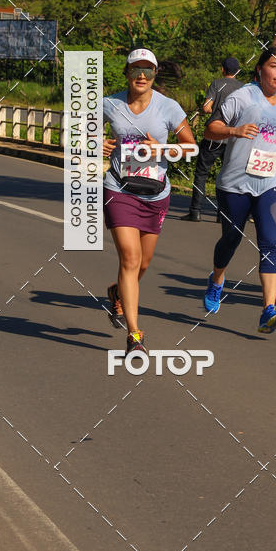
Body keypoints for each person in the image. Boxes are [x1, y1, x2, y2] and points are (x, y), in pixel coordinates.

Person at [201, 46, 276, 333]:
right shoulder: (242, 96)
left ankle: (268, 309)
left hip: (272, 181)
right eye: (274, 66)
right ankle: (217, 280)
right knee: (231, 238)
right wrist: (234, 131)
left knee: (270, 243)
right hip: (235, 182)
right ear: (260, 69)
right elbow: (212, 129)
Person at [102, 48, 196, 355]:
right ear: (126, 73)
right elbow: (76, 130)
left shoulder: (168, 108)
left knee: (143, 263)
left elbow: (190, 148)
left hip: (156, 193)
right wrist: (93, 141)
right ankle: (135, 335)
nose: (142, 76)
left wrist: (162, 149)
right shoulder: (110, 104)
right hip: (119, 188)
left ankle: (117, 292)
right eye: (136, 70)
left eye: (148, 71)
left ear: (155, 75)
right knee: (129, 259)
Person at [182, 57, 243, 222]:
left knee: (202, 173)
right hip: (232, 137)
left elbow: (206, 108)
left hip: (213, 136)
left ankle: (195, 211)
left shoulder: (217, 84)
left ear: (223, 69)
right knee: (227, 175)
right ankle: (222, 215)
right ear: (237, 71)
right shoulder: (243, 88)